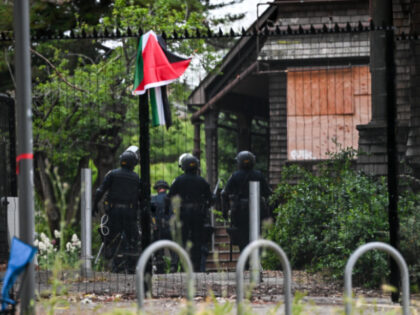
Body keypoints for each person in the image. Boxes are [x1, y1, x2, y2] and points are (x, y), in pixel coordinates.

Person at [93, 148, 143, 272]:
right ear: (134, 163)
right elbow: (141, 197)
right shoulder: (136, 178)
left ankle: (114, 265)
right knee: (132, 239)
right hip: (129, 213)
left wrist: (94, 204)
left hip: (113, 212)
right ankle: (131, 266)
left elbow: (100, 190)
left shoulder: (112, 174)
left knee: (111, 238)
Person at [168, 154, 213, 272]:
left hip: (183, 214)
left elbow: (169, 197)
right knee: (197, 240)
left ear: (183, 167)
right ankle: (196, 267)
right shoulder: (202, 181)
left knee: (182, 239)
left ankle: (183, 266)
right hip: (198, 214)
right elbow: (211, 198)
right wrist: (205, 207)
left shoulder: (178, 180)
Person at [221, 151, 272, 253]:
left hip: (240, 211)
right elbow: (268, 193)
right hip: (258, 210)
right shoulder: (259, 175)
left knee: (242, 237)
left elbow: (224, 193)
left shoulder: (235, 176)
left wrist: (225, 211)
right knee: (258, 234)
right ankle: (256, 260)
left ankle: (245, 261)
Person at [150, 180, 177, 273]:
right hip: (170, 227)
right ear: (166, 189)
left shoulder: (153, 200)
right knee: (173, 248)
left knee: (158, 248)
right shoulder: (172, 199)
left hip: (158, 228)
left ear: (157, 189)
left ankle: (160, 267)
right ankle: (173, 266)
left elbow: (151, 215)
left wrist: (154, 225)